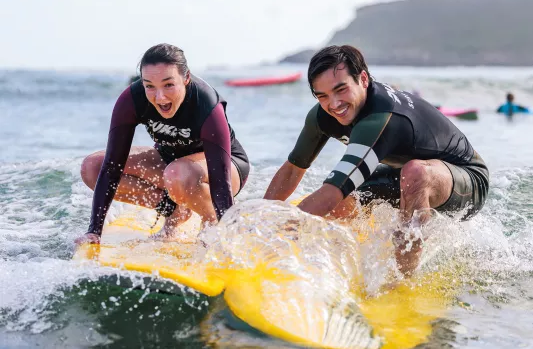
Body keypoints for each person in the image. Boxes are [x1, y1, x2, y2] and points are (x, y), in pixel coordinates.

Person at [264, 45, 489, 276]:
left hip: (466, 182)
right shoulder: (322, 116)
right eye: (322, 96)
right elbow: (293, 169)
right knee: (345, 201)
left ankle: (403, 282)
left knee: (414, 173)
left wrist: (282, 231)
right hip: (401, 174)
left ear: (363, 79)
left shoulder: (383, 117)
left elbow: (332, 190)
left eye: (341, 89)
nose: (334, 104)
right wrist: (263, 217)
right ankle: (338, 269)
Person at [75, 43, 249, 245]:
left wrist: (225, 234)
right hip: (171, 165)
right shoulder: (132, 100)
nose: (160, 97)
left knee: (177, 173)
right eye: (149, 86)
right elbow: (111, 167)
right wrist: (94, 231)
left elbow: (220, 179)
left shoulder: (205, 102)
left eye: (168, 85)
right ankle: (174, 211)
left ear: (186, 78)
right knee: (92, 168)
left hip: (225, 170)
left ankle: (210, 222)